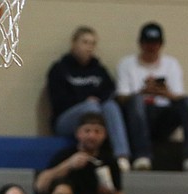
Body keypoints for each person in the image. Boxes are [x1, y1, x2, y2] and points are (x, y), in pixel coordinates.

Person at [115, 22, 188, 172]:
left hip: (163, 115)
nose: (151, 48)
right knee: (136, 101)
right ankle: (142, 155)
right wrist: (143, 92)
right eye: (147, 43)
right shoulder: (126, 64)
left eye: (155, 44)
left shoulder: (171, 64)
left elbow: (178, 97)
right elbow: (122, 98)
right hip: (138, 117)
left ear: (161, 44)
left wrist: (161, 92)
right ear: (140, 44)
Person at [45, 26, 131, 167]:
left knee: (111, 106)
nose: (89, 47)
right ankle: (96, 154)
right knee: (91, 107)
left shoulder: (98, 69)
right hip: (65, 119)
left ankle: (121, 156)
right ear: (74, 44)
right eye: (85, 42)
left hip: (95, 109)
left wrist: (97, 100)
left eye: (92, 43)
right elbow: (58, 101)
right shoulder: (59, 69)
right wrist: (84, 101)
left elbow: (110, 91)